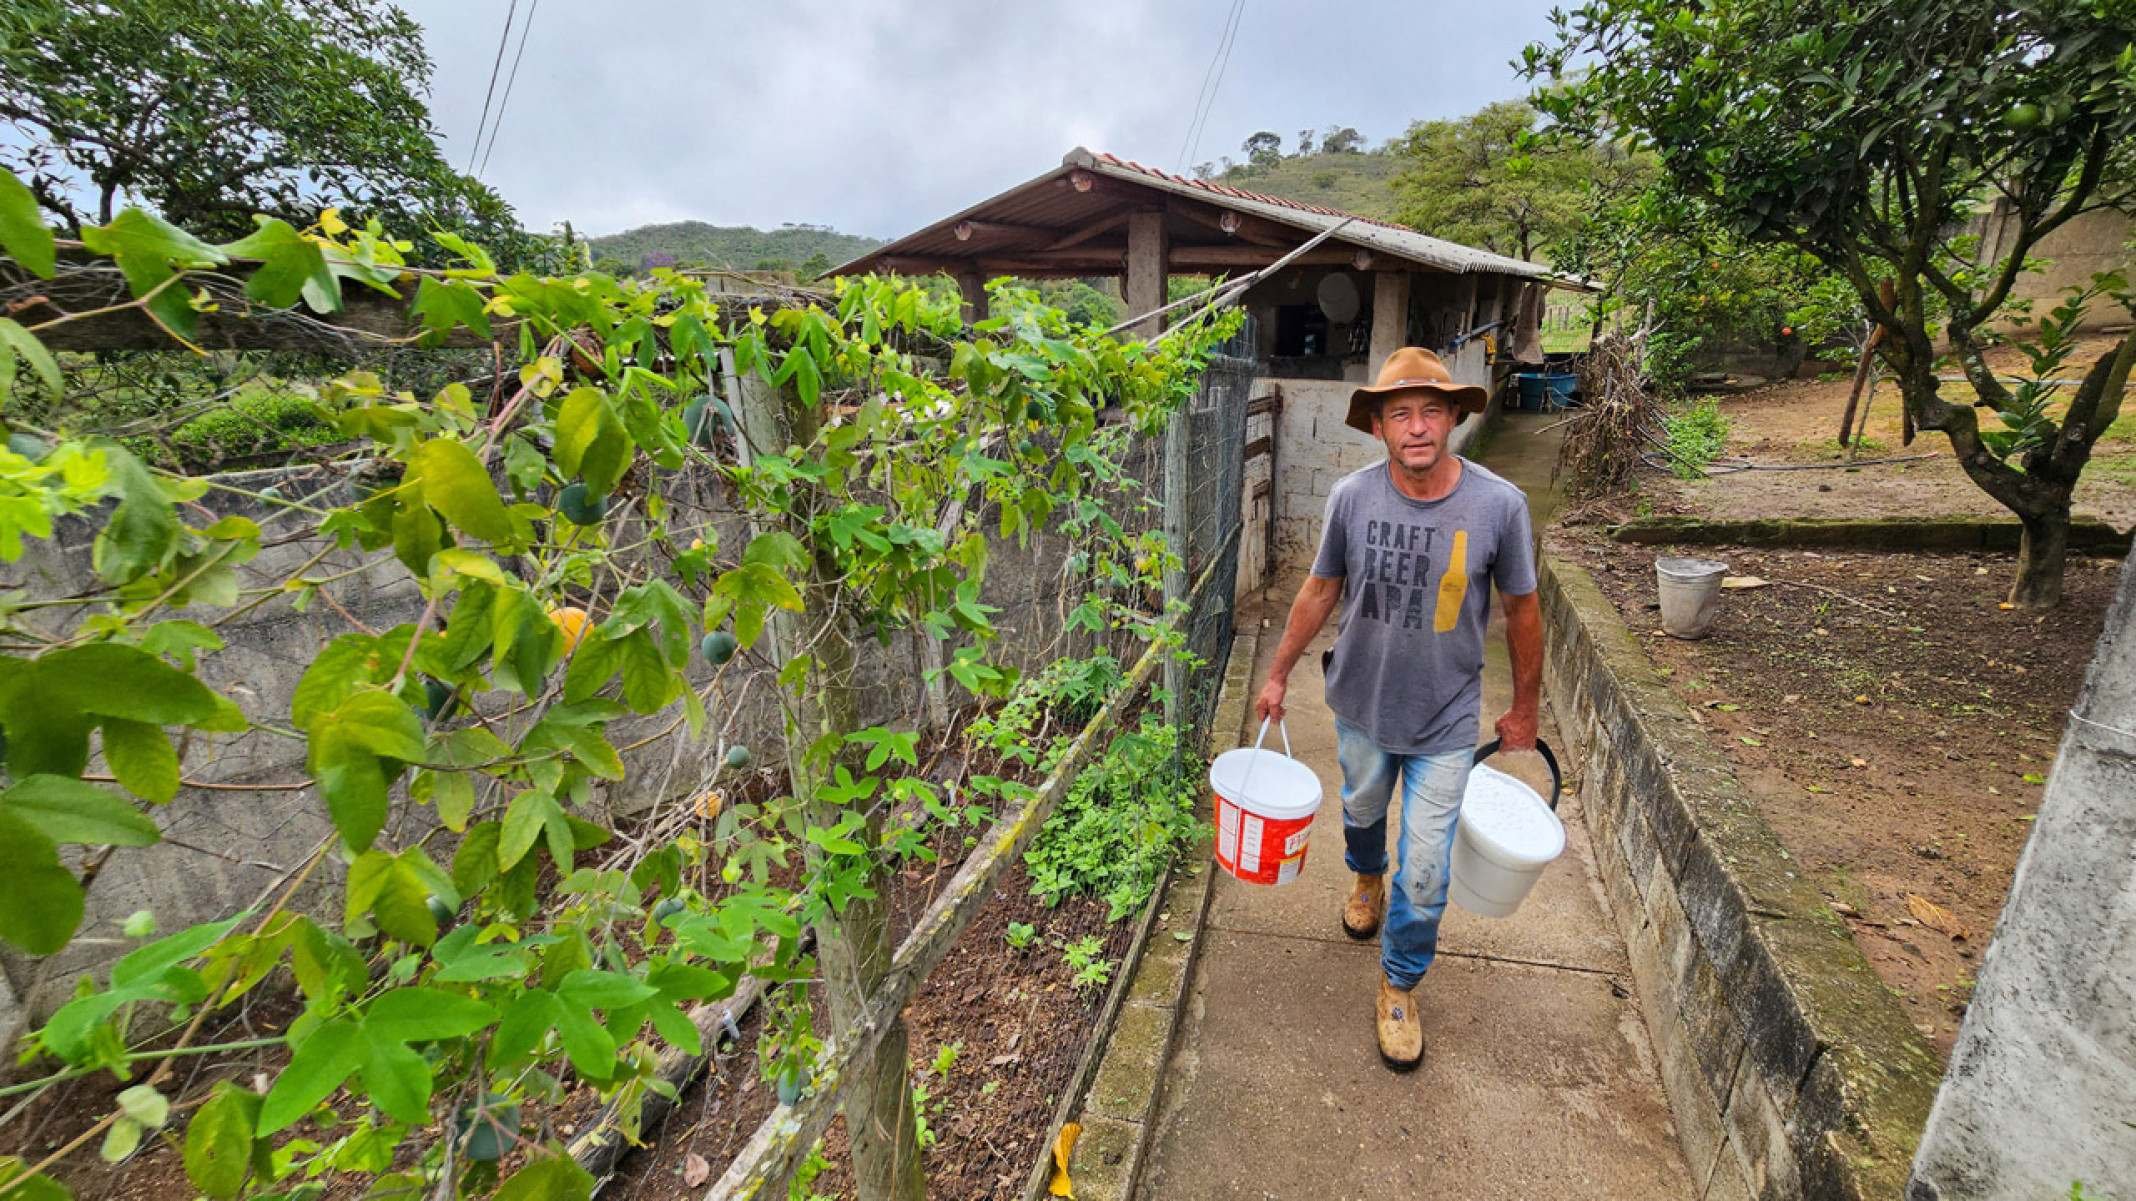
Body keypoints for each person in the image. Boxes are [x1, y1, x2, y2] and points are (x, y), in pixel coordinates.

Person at [1253, 345, 1543, 1072]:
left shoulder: (1499, 505)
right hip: (1359, 702)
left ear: (1452, 418)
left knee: (1427, 869)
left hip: (1445, 717)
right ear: (1379, 426)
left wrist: (1526, 706)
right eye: (1400, 413)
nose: (1417, 426)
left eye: (1430, 410)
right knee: (1361, 811)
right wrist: (1279, 672)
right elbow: (1320, 590)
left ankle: (1399, 983)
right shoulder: (1353, 498)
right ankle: (1362, 873)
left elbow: (1523, 609)